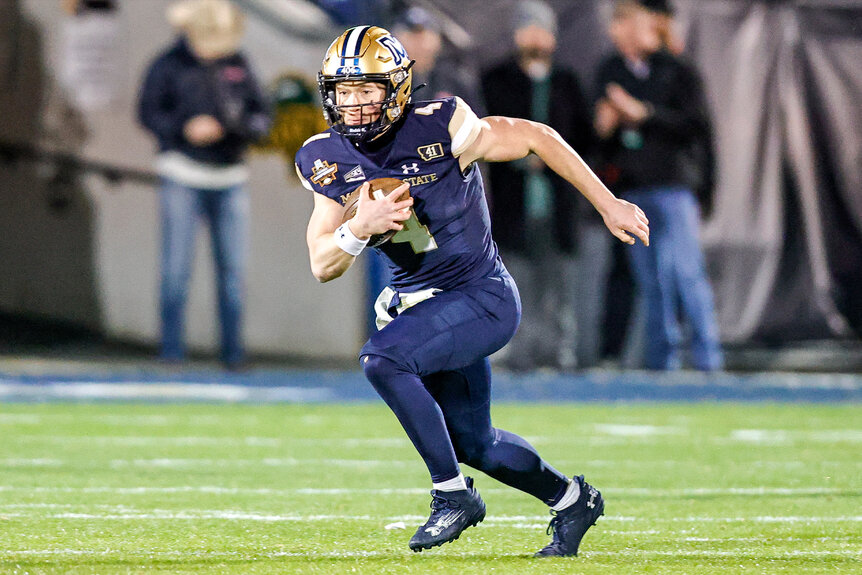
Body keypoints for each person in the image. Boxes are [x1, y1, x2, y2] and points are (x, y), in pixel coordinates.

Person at [294, 25, 648, 556]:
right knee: (474, 443)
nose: (355, 104)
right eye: (344, 92)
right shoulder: (325, 156)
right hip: (423, 303)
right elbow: (323, 263)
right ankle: (572, 500)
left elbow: (537, 136)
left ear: (396, 89)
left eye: (367, 90)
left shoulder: (442, 125)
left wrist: (607, 203)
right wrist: (358, 227)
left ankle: (451, 495)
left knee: (383, 360)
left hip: (480, 296)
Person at [138, 0, 271, 369]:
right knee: (176, 268)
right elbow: (148, 112)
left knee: (233, 271)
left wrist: (231, 126)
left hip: (229, 177)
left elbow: (262, 119)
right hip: (181, 174)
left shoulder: (238, 64)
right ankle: (171, 351)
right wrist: (183, 129)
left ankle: (232, 354)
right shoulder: (167, 65)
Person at [594, 0, 722, 371]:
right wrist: (604, 125)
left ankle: (707, 360)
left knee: (686, 274)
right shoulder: (611, 70)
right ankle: (661, 364)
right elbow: (598, 136)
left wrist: (644, 114)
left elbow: (697, 126)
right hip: (632, 191)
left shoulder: (676, 69)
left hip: (673, 187)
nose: (616, 31)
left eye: (624, 22)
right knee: (651, 282)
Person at [481, 0, 594, 370]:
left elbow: (584, 139)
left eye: (542, 28)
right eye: (528, 28)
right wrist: (518, 157)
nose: (535, 36)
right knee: (515, 282)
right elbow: (485, 137)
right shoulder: (496, 80)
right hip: (513, 202)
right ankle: (518, 353)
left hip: (558, 203)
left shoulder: (566, 82)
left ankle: (560, 353)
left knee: (559, 284)